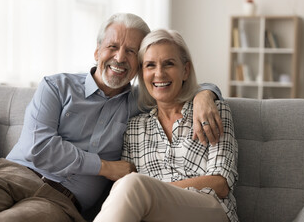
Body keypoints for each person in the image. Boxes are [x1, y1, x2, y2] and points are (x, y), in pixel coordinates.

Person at [0, 14, 223, 222]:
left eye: (131, 51)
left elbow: (177, 82)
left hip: (60, 203)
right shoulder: (56, 86)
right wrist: (105, 168)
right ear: (97, 52)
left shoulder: (140, 101)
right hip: (11, 176)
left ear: (140, 65)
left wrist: (206, 95)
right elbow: (39, 146)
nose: (120, 57)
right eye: (113, 46)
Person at [93, 29, 238, 222]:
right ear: (142, 73)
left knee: (133, 184)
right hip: (155, 215)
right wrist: (149, 195)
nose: (159, 73)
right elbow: (124, 191)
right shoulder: (134, 127)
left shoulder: (212, 111)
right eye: (150, 65)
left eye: (169, 64)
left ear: (185, 70)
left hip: (211, 210)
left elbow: (221, 183)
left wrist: (152, 192)